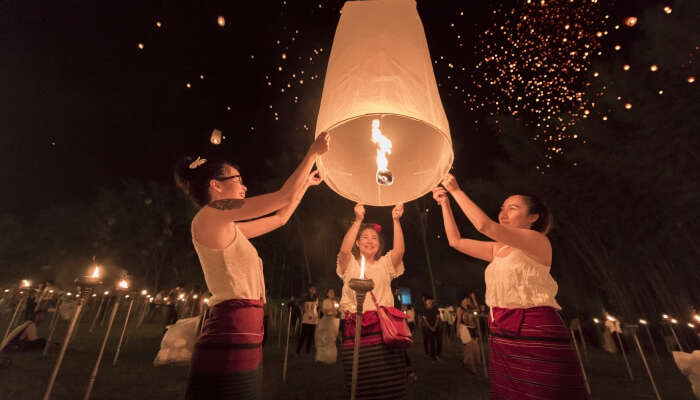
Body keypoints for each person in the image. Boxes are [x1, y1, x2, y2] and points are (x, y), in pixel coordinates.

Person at [174, 132, 328, 400]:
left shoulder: (228, 227)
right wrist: (313, 152)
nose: (244, 187)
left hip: (246, 333)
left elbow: (280, 217)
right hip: (229, 333)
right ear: (216, 186)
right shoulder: (210, 216)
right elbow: (281, 197)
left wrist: (306, 184)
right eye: (238, 180)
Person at [432, 174, 587, 399]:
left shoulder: (538, 241)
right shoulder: (498, 249)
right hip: (502, 332)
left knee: (543, 392)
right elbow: (455, 241)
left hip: (535, 330)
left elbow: (485, 225)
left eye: (513, 208)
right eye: (502, 208)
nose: (503, 213)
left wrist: (456, 191)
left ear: (533, 217)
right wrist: (445, 203)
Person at [337, 203, 408, 399]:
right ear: (357, 243)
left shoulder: (385, 264)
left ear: (379, 244)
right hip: (356, 330)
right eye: (365, 237)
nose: (369, 241)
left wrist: (396, 220)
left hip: (384, 331)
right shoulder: (349, 264)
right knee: (360, 384)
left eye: (374, 238)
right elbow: (344, 251)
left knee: (389, 384)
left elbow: (399, 251)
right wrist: (358, 220)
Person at [315, 288, 340, 363]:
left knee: (332, 339)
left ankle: (331, 357)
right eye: (330, 292)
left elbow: (337, 311)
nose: (332, 293)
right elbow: (324, 311)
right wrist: (331, 310)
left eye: (333, 292)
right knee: (324, 338)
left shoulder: (336, 301)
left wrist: (336, 309)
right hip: (326, 320)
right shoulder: (325, 301)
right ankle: (322, 357)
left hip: (333, 321)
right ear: (327, 294)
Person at [456, 296, 480, 374]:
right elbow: (459, 320)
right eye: (467, 299)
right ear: (463, 300)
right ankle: (473, 368)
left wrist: (474, 299)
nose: (468, 301)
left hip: (472, 329)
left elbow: (478, 310)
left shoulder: (470, 308)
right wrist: (458, 331)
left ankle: (466, 362)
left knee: (474, 347)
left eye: (468, 299)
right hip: (464, 328)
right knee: (469, 347)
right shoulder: (460, 309)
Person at [296, 285, 319, 356]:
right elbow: (298, 303)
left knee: (311, 335)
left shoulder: (316, 298)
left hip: (313, 319)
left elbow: (317, 307)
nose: (313, 290)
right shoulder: (305, 297)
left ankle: (307, 350)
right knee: (303, 335)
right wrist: (302, 310)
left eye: (314, 289)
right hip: (306, 318)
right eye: (312, 289)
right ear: (309, 289)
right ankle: (298, 350)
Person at [421, 296, 441, 362]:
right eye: (427, 301)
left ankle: (438, 354)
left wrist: (435, 326)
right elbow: (425, 320)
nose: (429, 302)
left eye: (430, 301)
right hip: (428, 328)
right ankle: (433, 357)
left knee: (439, 341)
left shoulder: (435, 308)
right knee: (431, 342)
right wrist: (430, 327)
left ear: (432, 301)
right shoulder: (424, 310)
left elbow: (438, 318)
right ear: (426, 302)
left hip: (436, 327)